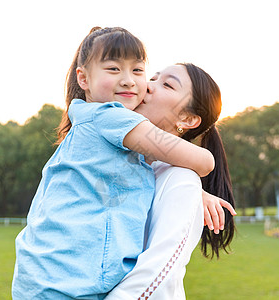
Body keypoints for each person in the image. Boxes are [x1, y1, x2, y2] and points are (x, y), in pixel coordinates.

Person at [12, 27, 217, 299]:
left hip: (53, 281)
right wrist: (192, 175)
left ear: (190, 119)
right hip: (64, 283)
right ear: (83, 79)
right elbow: (203, 161)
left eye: (138, 71)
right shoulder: (111, 118)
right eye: (113, 69)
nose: (132, 82)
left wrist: (190, 187)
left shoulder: (118, 137)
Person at [106, 63, 236, 299]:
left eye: (166, 84)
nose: (148, 86)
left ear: (187, 119)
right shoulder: (119, 160)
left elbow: (156, 275)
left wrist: (193, 188)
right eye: (152, 78)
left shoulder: (181, 180)